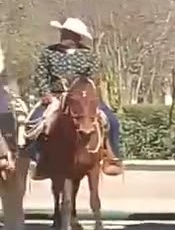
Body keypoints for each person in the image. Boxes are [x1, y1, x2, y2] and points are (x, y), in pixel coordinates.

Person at [28, 17, 123, 177]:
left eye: (69, 34)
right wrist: (46, 93)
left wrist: (88, 95)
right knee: (34, 123)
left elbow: (93, 76)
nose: (64, 37)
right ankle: (39, 159)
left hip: (83, 97)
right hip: (56, 96)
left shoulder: (88, 55)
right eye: (63, 33)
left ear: (77, 37)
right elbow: (41, 75)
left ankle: (111, 156)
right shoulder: (48, 53)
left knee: (111, 121)